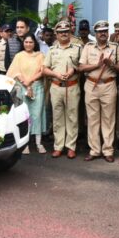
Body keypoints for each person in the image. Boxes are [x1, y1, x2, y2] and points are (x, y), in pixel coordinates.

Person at [78, 21, 119, 163]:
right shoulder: (88, 47)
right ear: (95, 34)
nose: (103, 33)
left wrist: (112, 65)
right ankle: (94, 150)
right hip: (91, 84)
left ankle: (108, 150)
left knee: (109, 119)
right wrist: (96, 65)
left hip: (109, 85)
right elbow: (81, 67)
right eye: (100, 31)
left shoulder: (115, 47)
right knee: (92, 119)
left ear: (108, 33)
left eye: (105, 30)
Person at [43, 21, 82, 159]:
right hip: (56, 86)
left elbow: (82, 66)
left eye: (66, 31)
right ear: (56, 34)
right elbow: (45, 69)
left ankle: (71, 146)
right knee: (57, 117)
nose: (64, 33)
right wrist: (56, 74)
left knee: (72, 117)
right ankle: (58, 146)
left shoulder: (77, 48)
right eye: (61, 32)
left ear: (70, 32)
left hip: (72, 86)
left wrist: (74, 69)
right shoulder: (52, 50)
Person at [6, 34, 46, 154]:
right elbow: (14, 71)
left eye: (31, 42)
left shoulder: (40, 55)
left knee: (37, 115)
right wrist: (25, 82)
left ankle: (39, 143)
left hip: (37, 87)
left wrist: (31, 81)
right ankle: (25, 144)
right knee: (24, 116)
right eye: (26, 42)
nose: (28, 44)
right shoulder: (19, 56)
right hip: (22, 88)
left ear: (35, 43)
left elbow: (42, 71)